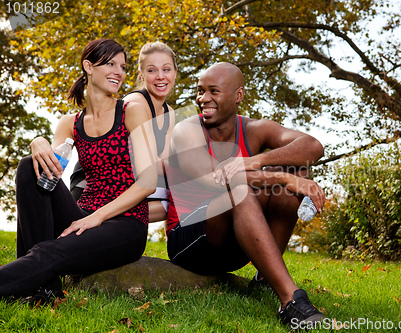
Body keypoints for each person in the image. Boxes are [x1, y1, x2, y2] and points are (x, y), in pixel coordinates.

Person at [166, 62, 326, 328]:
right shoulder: (187, 130)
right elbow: (215, 182)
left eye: (213, 91)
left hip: (237, 244)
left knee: (288, 179)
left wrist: (258, 160)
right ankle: (291, 301)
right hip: (191, 241)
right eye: (200, 91)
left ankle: (265, 278)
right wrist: (284, 178)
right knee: (252, 187)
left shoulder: (254, 129)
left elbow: (313, 146)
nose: (203, 99)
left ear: (238, 95)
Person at [1, 39, 156, 305]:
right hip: (81, 215)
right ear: (88, 66)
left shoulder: (133, 111)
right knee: (29, 166)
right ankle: (45, 290)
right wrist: (38, 143)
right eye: (110, 63)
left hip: (125, 224)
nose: (119, 72)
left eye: (123, 66)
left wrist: (97, 218)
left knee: (49, 252)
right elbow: (50, 171)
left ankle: (37, 285)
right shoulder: (70, 123)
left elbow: (149, 182)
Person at [70, 41, 177, 224]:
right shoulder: (135, 103)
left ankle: (115, 220)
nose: (160, 76)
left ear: (175, 72)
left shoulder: (169, 112)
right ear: (141, 75)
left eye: (166, 69)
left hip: (128, 182)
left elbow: (163, 162)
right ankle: (106, 218)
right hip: (93, 183)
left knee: (183, 195)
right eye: (151, 70)